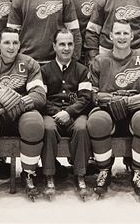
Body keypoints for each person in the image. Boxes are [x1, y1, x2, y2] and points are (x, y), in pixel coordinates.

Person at [86, 20, 140, 202]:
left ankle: (138, 172)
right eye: (118, 33)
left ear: (132, 36)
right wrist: (111, 100)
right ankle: (104, 170)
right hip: (108, 109)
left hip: (135, 110)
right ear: (111, 36)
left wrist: (129, 101)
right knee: (96, 121)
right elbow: (91, 95)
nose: (122, 37)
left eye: (125, 33)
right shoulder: (100, 60)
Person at [0, 27, 46, 202]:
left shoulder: (29, 63)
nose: (11, 47)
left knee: (34, 123)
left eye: (15, 42)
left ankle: (28, 174)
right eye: (7, 42)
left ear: (20, 44)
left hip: (21, 112)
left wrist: (14, 103)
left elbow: (39, 95)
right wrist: (4, 101)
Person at [40, 28, 92, 200]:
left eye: (70, 44)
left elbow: (85, 98)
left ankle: (80, 175)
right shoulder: (45, 71)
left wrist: (69, 112)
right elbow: (41, 98)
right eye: (62, 44)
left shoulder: (82, 70)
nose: (66, 48)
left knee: (82, 128)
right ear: (54, 46)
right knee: (47, 128)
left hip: (75, 113)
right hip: (52, 114)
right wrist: (57, 113)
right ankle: (49, 175)